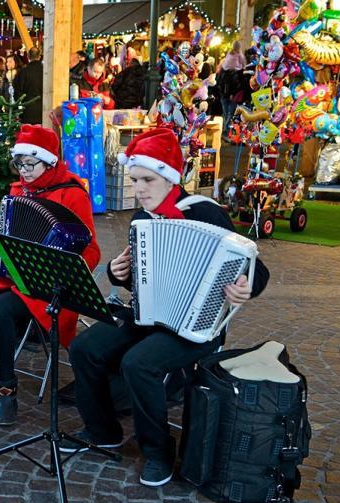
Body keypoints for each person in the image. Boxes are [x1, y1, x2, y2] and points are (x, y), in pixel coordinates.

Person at [63, 128, 270, 487]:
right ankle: (103, 430)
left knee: (138, 363)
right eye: (135, 180)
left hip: (198, 324)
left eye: (147, 179)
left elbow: (257, 270)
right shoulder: (142, 220)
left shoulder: (205, 213)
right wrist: (116, 272)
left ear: (169, 177)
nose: (139, 189)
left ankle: (158, 451)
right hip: (148, 317)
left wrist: (244, 287)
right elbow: (139, 280)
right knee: (84, 348)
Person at [0, 124, 101, 425]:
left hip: (47, 284)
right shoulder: (18, 190)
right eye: (20, 164)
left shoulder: (72, 194)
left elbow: (91, 250)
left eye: (31, 164)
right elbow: (3, 227)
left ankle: (6, 391)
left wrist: (66, 263)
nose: (23, 171)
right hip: (11, 275)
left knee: (0, 310)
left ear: (49, 160)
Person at [217, 42, 247, 137]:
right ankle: (226, 132)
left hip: (223, 94)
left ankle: (225, 131)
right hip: (232, 95)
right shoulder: (236, 72)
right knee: (230, 113)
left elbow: (219, 82)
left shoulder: (225, 65)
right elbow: (244, 64)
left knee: (226, 113)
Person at [12, 47, 43, 124]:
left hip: (27, 110)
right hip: (44, 109)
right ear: (40, 56)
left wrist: (19, 107)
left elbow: (17, 93)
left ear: (28, 56)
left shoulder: (22, 72)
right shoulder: (46, 71)